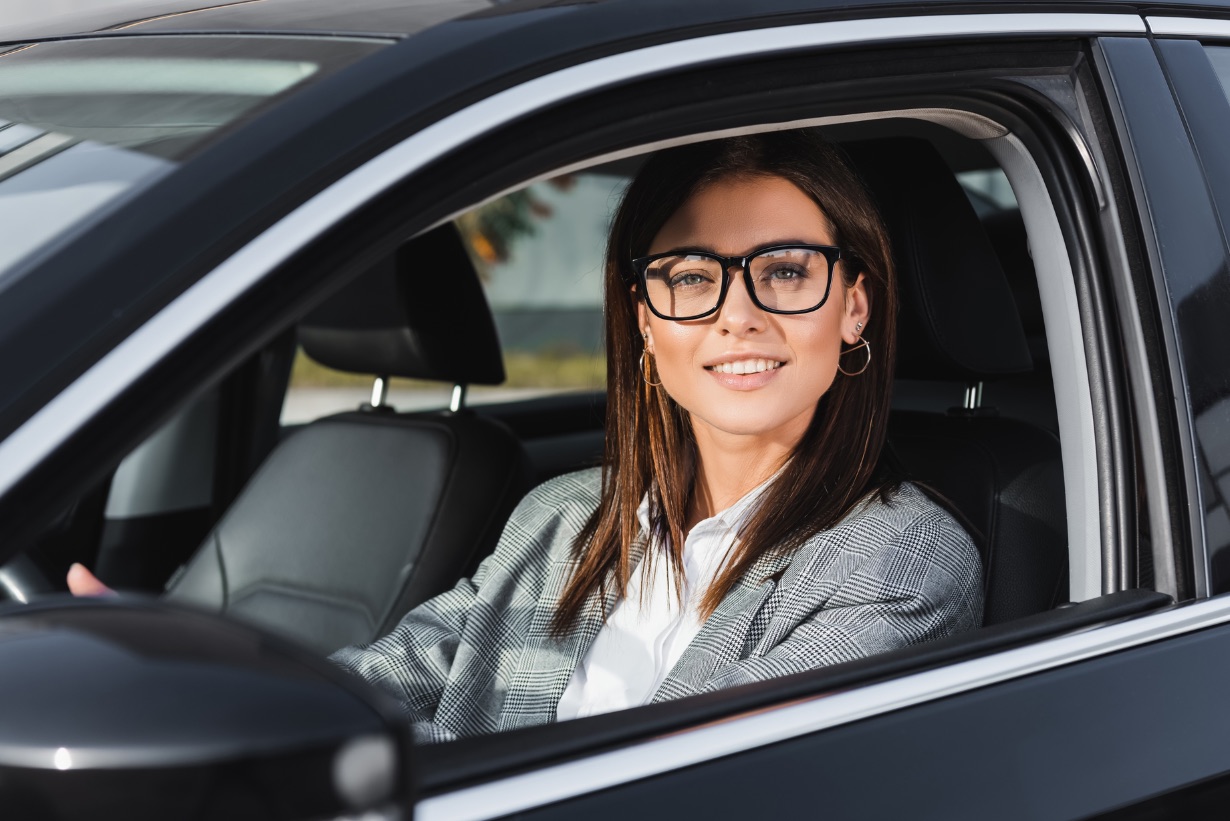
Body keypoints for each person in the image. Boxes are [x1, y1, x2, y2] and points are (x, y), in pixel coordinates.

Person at [70, 130, 983, 744]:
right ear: (646, 323)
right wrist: (193, 689)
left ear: (853, 307)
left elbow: (683, 785)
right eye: (691, 275)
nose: (736, 314)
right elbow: (397, 672)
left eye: (786, 271)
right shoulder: (565, 513)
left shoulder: (897, 562)